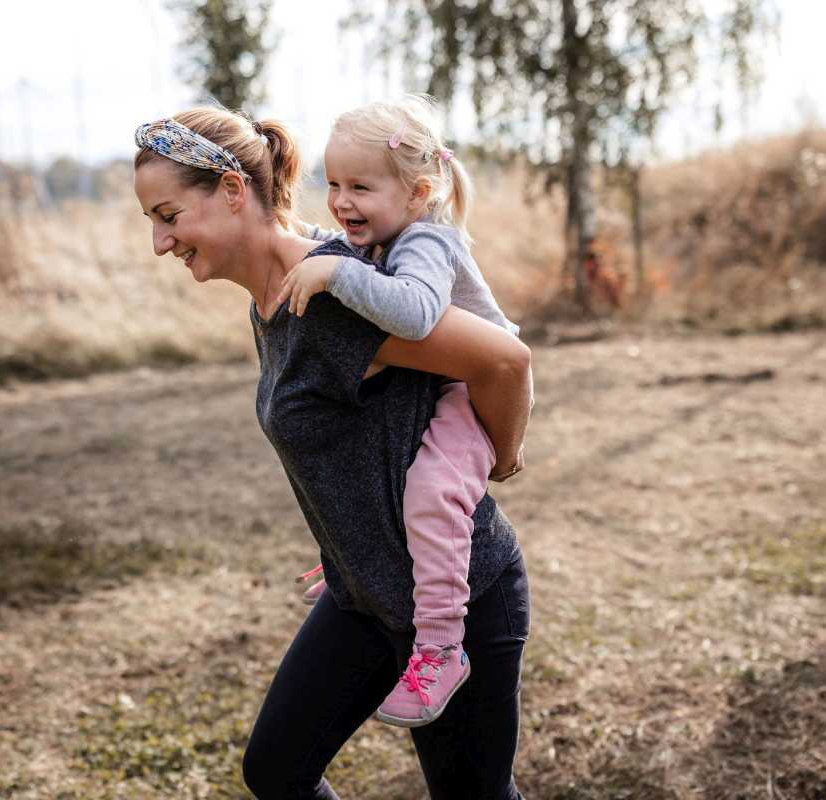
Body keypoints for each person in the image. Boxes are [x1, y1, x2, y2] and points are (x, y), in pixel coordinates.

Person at [133, 107, 532, 800]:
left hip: (456, 600)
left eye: (168, 215)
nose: (161, 242)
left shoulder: (335, 294)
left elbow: (504, 359)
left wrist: (498, 458)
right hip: (364, 598)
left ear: (232, 191)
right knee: (278, 770)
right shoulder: (275, 294)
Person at [273, 95, 524, 728]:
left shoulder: (427, 243)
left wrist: (333, 273)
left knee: (432, 491)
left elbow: (413, 312)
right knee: (383, 470)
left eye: (360, 186)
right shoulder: (386, 232)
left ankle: (440, 647)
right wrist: (307, 244)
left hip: (470, 392)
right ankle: (364, 566)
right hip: (439, 386)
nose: (341, 201)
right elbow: (330, 242)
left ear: (415, 195)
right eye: (332, 184)